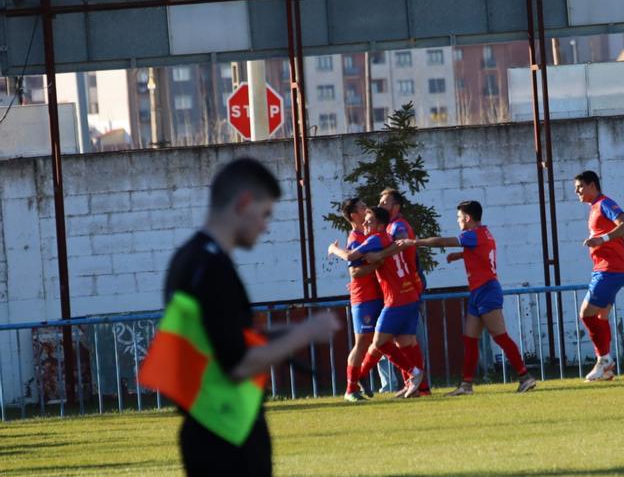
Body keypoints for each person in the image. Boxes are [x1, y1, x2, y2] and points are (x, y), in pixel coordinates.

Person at [141, 158, 340, 476]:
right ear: (244, 203)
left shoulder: (192, 257)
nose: (265, 226)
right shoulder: (212, 269)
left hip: (211, 430)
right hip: (224, 438)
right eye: (265, 214)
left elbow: (224, 335)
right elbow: (237, 363)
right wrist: (305, 333)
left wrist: (294, 329)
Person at [402, 200, 537, 395]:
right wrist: (460, 255)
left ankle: (525, 377)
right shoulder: (483, 233)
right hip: (478, 292)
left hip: (487, 290)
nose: (458, 221)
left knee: (500, 336)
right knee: (470, 339)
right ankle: (466, 385)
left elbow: (443, 242)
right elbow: (481, 252)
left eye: (458, 218)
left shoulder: (471, 235)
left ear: (467, 218)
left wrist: (415, 242)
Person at [328, 206, 425, 399]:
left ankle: (413, 373)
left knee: (378, 342)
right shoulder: (388, 237)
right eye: (364, 218)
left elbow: (350, 257)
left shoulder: (375, 238)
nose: (365, 222)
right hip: (409, 296)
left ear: (380, 225)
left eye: (369, 220)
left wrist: (333, 249)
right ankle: (414, 386)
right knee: (404, 342)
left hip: (395, 299)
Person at [574, 170, 624, 382]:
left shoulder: (605, 203)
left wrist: (603, 239)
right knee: (601, 317)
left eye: (579, 187)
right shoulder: (593, 208)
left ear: (592, 185)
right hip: (605, 268)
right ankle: (606, 367)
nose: (576, 191)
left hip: (610, 269)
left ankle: (604, 359)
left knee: (585, 314)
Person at [377, 188, 431, 396]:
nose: (380, 205)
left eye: (384, 202)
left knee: (384, 342)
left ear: (395, 206)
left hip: (403, 291)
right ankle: (417, 386)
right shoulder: (391, 225)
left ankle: (415, 380)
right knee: (405, 341)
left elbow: (399, 247)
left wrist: (376, 255)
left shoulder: (398, 226)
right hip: (402, 290)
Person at [338, 198, 383, 402]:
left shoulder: (367, 234)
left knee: (382, 339)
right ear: (354, 215)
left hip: (377, 294)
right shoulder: (355, 238)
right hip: (363, 297)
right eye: (363, 208)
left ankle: (362, 374)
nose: (367, 210)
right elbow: (355, 273)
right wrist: (380, 263)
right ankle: (350, 389)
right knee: (362, 342)